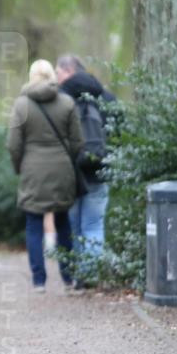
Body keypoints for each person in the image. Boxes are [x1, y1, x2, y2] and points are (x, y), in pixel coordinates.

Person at [7, 59, 83, 293]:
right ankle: (69, 279)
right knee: (63, 224)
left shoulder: (21, 105)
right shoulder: (67, 102)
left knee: (33, 224)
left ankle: (39, 281)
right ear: (52, 75)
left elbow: (13, 144)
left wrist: (20, 167)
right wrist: (65, 160)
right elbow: (77, 142)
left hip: (32, 169)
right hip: (62, 169)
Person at [56, 54, 117, 277]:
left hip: (71, 171)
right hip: (100, 169)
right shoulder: (106, 96)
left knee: (75, 227)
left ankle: (80, 275)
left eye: (58, 73)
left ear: (69, 71)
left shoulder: (60, 99)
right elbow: (119, 132)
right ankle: (90, 275)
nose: (57, 77)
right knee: (94, 225)